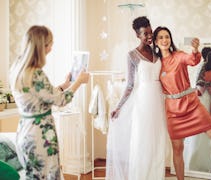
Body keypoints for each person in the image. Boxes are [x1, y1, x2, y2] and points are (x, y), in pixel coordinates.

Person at [153, 26, 211, 180]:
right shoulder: (156, 64)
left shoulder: (178, 55)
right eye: (160, 37)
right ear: (155, 42)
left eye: (167, 36)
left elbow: (193, 60)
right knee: (177, 149)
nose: (164, 40)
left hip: (192, 106)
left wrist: (194, 50)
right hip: (173, 112)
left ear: (170, 39)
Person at [9, 25, 89, 180]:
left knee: (33, 176)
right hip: (40, 136)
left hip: (25, 131)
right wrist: (78, 82)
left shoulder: (17, 68)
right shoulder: (36, 73)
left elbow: (42, 96)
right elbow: (60, 101)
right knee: (47, 175)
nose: (51, 48)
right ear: (40, 47)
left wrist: (63, 86)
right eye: (49, 44)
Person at [106, 16, 168, 180]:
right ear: (137, 35)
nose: (149, 36)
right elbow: (130, 85)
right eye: (145, 34)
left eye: (150, 32)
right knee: (143, 142)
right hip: (143, 102)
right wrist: (118, 107)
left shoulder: (158, 53)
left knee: (158, 142)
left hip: (158, 100)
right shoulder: (132, 55)